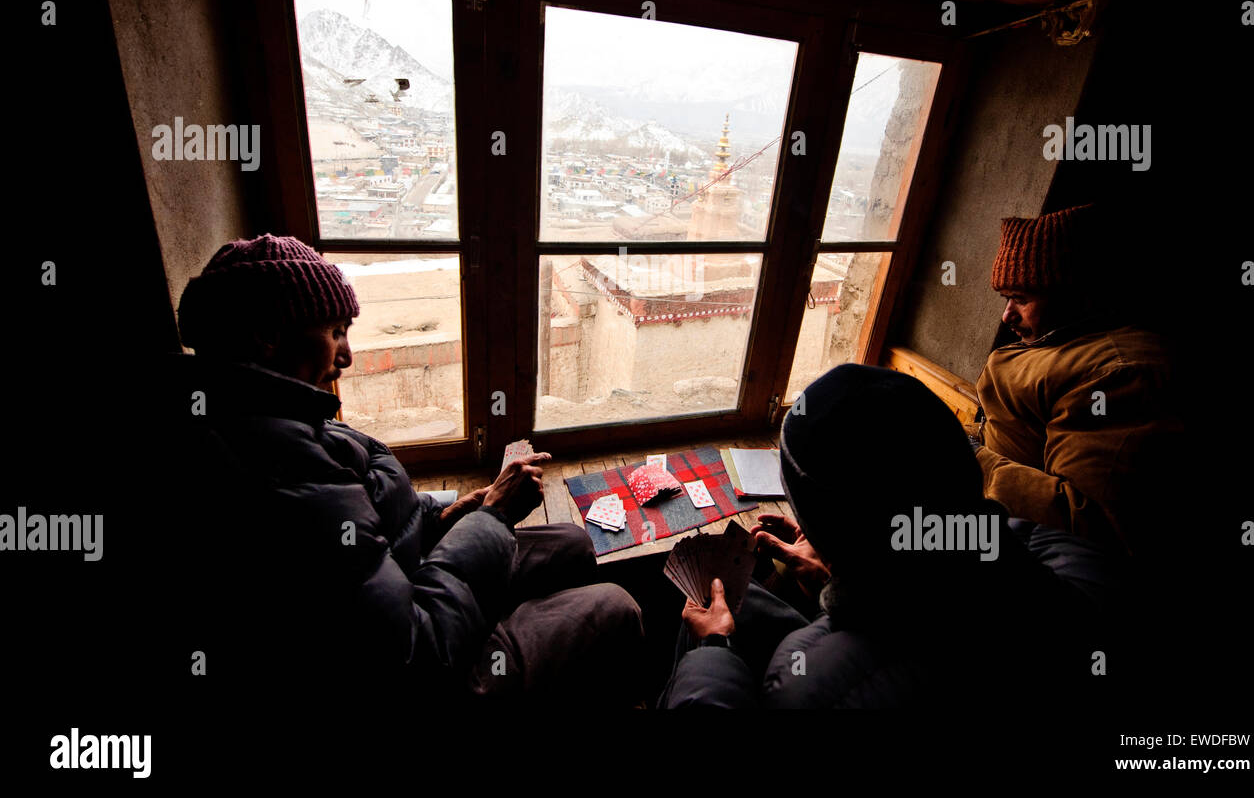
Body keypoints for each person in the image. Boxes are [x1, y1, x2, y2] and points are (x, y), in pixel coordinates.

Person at [161, 234, 643, 705]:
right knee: (616, 606)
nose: (346, 356)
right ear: (267, 336)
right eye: (334, 332)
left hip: (406, 582)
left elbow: (373, 532)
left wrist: (447, 515)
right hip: (427, 666)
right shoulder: (271, 462)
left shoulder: (277, 417)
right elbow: (418, 651)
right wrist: (491, 519)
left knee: (574, 544)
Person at [659, 364, 1117, 709]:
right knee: (743, 597)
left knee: (704, 612)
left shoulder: (808, 685)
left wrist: (713, 650)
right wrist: (841, 570)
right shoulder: (1077, 559)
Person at [973, 205, 1184, 554]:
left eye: (1021, 299)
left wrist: (970, 460)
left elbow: (1088, 519)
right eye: (1006, 298)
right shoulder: (1066, 343)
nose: (1007, 315)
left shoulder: (1119, 376)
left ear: (1071, 294)